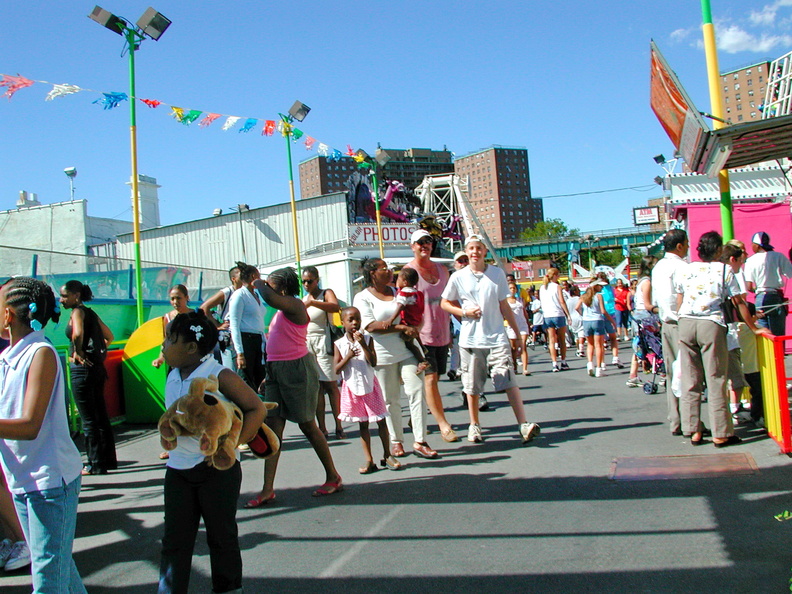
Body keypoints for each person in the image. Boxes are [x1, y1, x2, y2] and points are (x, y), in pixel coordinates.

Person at [158, 310, 266, 594]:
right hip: (178, 472)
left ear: (191, 348)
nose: (164, 345)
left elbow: (256, 408)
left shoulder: (218, 374)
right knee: (174, 542)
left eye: (170, 340)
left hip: (216, 473)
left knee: (221, 538)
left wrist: (230, 445)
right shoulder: (171, 375)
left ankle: (229, 589)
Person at [0, 277, 87, 592]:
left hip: (49, 484)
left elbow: (29, 424)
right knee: (61, 572)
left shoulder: (40, 353)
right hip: (23, 481)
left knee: (48, 582)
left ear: (9, 315)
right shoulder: (7, 358)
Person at [245, 268, 343, 508]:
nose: (266, 288)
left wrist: (256, 282)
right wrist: (270, 374)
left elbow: (268, 297)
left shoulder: (295, 305)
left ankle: (333, 476)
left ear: (282, 288)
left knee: (307, 425)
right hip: (276, 370)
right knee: (273, 430)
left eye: (271, 284)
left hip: (297, 370)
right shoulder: (281, 310)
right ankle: (268, 489)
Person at [441, 235, 540, 445]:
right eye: (471, 248)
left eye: (478, 248)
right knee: (472, 385)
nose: (475, 252)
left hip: (496, 336)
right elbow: (444, 303)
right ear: (466, 253)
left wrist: (519, 331)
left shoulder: (496, 274)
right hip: (471, 339)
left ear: (485, 251)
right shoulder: (458, 277)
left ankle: (523, 424)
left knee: (508, 378)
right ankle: (474, 425)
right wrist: (464, 312)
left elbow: (504, 305)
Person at [675, 231, 770, 447]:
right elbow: (739, 302)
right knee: (716, 377)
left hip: (686, 322)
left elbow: (679, 299)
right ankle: (721, 432)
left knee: (691, 379)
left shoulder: (688, 269)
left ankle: (694, 430)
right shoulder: (724, 270)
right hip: (711, 323)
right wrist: (754, 327)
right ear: (719, 250)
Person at [353, 258, 437, 460]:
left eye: (390, 268)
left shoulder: (399, 291)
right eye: (384, 268)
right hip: (381, 355)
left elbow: (414, 311)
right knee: (390, 400)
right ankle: (396, 441)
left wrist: (415, 328)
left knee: (416, 391)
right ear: (372, 273)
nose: (390, 271)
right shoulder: (363, 297)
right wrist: (400, 327)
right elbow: (370, 326)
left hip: (407, 350)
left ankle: (420, 440)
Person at [404, 229, 458, 443]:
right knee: (431, 379)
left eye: (428, 242)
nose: (424, 246)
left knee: (435, 378)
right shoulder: (408, 272)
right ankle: (444, 425)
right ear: (412, 246)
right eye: (419, 243)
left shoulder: (443, 271)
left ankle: (416, 415)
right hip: (421, 337)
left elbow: (451, 300)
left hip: (443, 334)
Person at [60, 280, 118, 476]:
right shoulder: (91, 313)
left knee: (88, 419)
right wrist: (96, 352)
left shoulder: (77, 312)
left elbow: (77, 333)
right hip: (97, 369)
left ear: (76, 295)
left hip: (81, 370)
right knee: (100, 415)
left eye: (64, 296)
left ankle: (94, 463)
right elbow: (109, 336)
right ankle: (107, 460)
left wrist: (78, 352)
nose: (61, 300)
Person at [333, 307, 400, 474]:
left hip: (369, 385)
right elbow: (336, 369)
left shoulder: (368, 339)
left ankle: (387, 454)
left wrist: (363, 344)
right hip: (353, 389)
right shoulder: (339, 344)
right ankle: (369, 459)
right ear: (343, 323)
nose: (355, 323)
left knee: (381, 420)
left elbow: (373, 362)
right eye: (350, 320)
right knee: (362, 424)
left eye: (357, 319)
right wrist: (348, 356)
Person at [650, 229, 689, 435]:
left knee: (672, 372)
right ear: (680, 246)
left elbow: (657, 299)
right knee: (687, 373)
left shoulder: (658, 267)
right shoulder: (681, 266)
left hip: (665, 322)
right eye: (687, 243)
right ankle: (691, 422)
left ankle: (675, 420)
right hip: (681, 322)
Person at [301, 266, 344, 440]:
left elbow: (335, 307)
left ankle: (339, 426)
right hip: (308, 343)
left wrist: (313, 303)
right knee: (316, 387)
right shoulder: (304, 298)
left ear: (317, 280)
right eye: (303, 281)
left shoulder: (324, 294)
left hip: (323, 341)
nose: (306, 284)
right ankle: (322, 428)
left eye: (309, 281)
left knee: (330, 385)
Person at [744, 231, 792, 337]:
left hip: (760, 298)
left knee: (764, 333)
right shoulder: (779, 256)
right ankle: (779, 354)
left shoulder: (750, 261)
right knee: (778, 334)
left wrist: (756, 290)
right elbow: (790, 273)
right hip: (776, 296)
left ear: (756, 245)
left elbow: (749, 286)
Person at [228, 263, 267, 391]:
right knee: (246, 382)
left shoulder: (255, 295)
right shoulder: (239, 295)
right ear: (253, 276)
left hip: (258, 341)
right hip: (246, 341)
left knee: (260, 379)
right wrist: (240, 353)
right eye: (258, 276)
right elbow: (234, 324)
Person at [384, 267, 430, 373]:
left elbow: (400, 306)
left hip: (407, 321)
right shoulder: (418, 293)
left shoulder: (404, 293)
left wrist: (390, 319)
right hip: (416, 320)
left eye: (398, 279)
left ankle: (422, 361)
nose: (396, 281)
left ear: (404, 282)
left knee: (409, 344)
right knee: (415, 337)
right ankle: (423, 348)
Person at [199, 266, 242, 369]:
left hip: (242, 333)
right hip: (229, 335)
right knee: (231, 368)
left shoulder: (246, 292)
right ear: (234, 278)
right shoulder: (227, 292)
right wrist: (217, 325)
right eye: (242, 275)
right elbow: (205, 307)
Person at [625, 257, 658, 388]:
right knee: (654, 344)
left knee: (639, 345)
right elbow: (648, 304)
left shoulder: (640, 282)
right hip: (645, 315)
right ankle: (662, 374)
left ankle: (633, 375)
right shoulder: (647, 282)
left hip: (638, 314)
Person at [575, 280, 615, 377]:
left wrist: (583, 315)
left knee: (590, 344)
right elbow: (603, 311)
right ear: (596, 286)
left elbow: (577, 308)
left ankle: (590, 364)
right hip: (597, 320)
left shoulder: (583, 297)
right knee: (599, 345)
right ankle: (599, 368)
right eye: (600, 286)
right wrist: (612, 321)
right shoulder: (599, 296)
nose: (601, 288)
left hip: (586, 321)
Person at [153, 285, 193, 370]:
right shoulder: (168, 317)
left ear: (186, 297)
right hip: (176, 362)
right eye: (172, 299)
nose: (175, 302)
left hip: (193, 360)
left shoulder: (195, 315)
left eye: (178, 298)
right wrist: (161, 358)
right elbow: (166, 340)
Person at [539, 267, 571, 372]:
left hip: (547, 315)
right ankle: (563, 361)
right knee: (562, 339)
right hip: (558, 314)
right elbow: (562, 301)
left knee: (551, 341)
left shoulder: (542, 287)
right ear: (556, 276)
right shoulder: (557, 287)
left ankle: (554, 363)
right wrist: (568, 315)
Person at [446, 251, 469, 382]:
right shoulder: (452, 281)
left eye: (466, 260)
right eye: (460, 261)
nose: (464, 263)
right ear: (455, 265)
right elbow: (446, 304)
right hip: (459, 325)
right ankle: (455, 370)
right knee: (456, 349)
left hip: (476, 325)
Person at [596, 272, 624, 370]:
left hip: (602, 315)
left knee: (602, 341)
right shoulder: (608, 289)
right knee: (612, 337)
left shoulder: (597, 290)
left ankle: (604, 361)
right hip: (609, 314)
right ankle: (614, 357)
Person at [505, 281, 531, 376]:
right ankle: (514, 366)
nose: (512, 290)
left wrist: (528, 323)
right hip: (512, 326)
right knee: (513, 348)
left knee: (523, 346)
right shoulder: (505, 301)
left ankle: (525, 368)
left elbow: (524, 312)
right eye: (510, 288)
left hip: (522, 325)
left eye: (514, 288)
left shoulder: (520, 300)